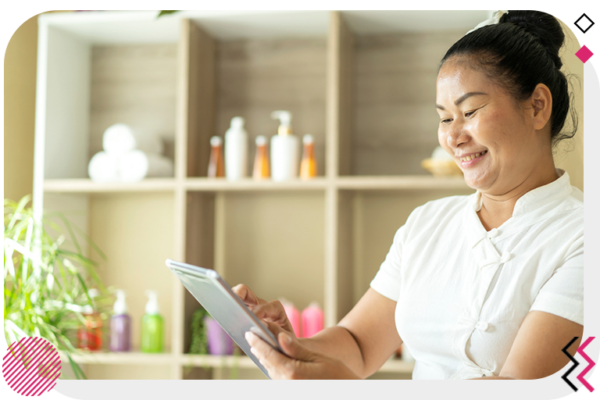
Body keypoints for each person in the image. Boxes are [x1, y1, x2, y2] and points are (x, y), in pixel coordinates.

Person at [233, 10, 583, 380]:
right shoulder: (426, 224)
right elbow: (358, 343)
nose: (453, 136)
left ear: (538, 106)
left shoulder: (581, 238)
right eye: (445, 118)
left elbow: (516, 389)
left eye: (469, 110)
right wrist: (290, 345)